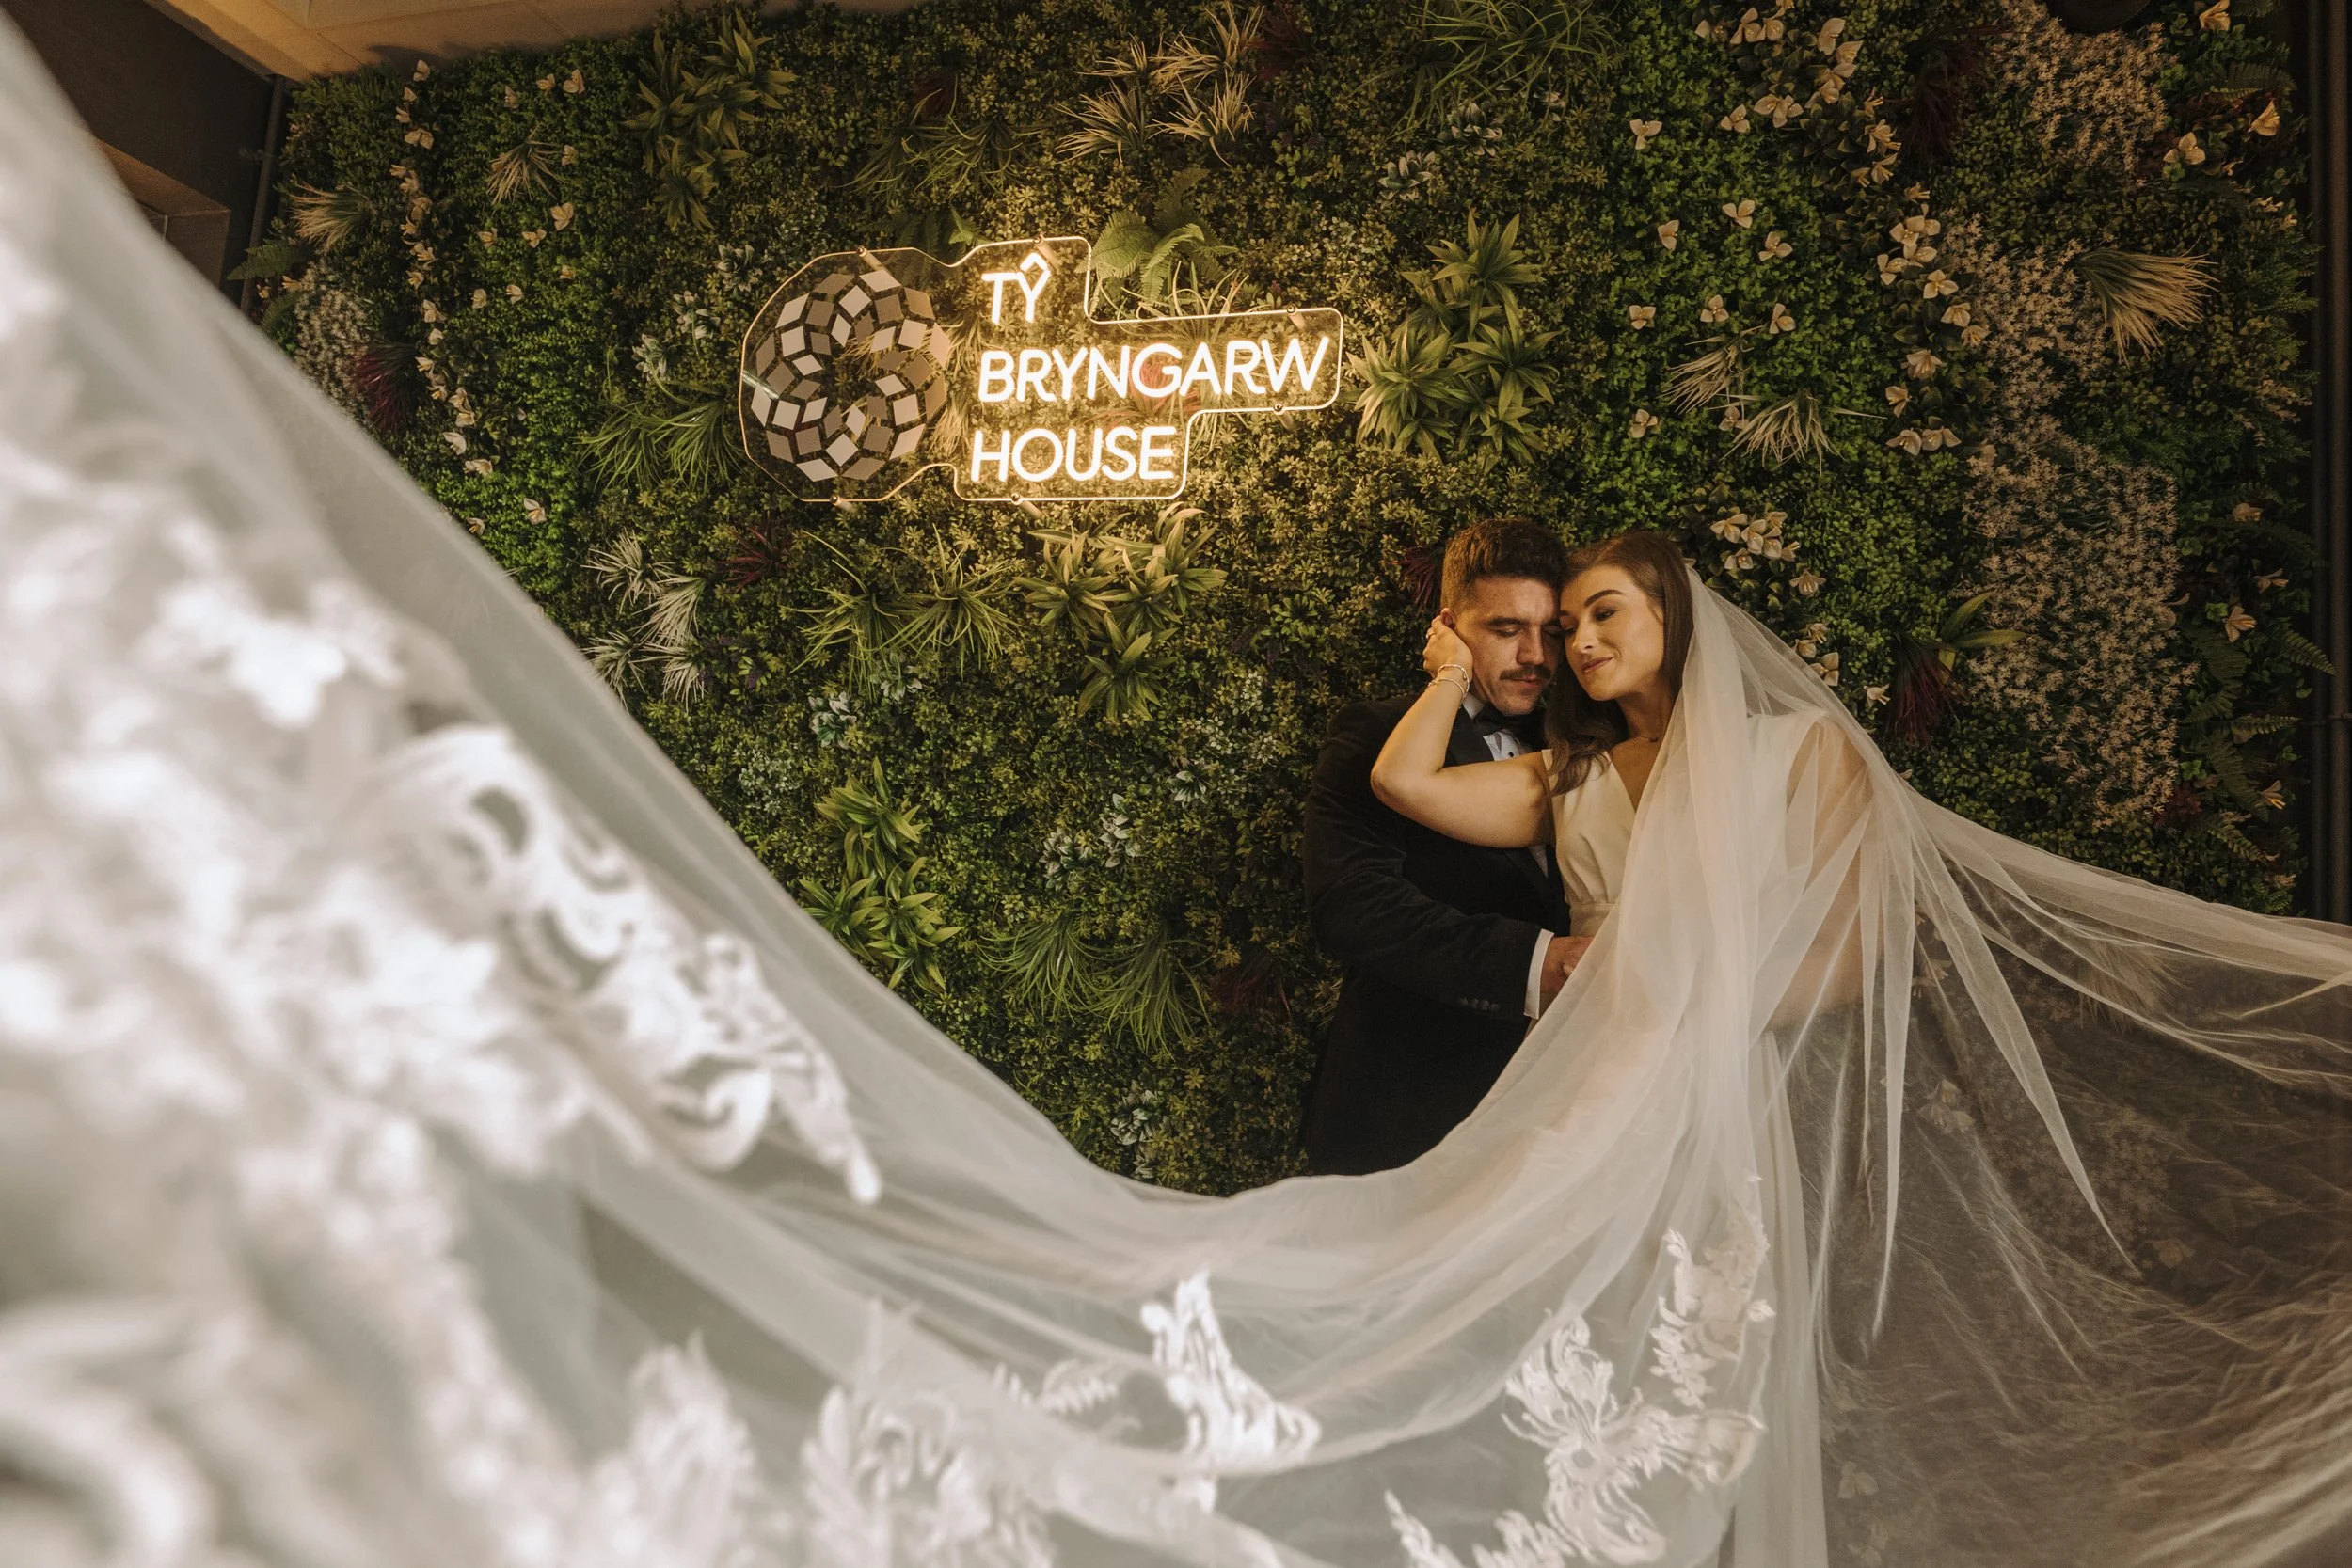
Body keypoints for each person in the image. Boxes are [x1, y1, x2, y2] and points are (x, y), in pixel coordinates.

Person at [8, 21, 2352, 1564]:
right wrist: (1468, 688)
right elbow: (1401, 820)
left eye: (1604, 626)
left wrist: (1689, 999)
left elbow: (1820, 948)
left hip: (1663, 1104)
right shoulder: (1538, 764)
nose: (1578, 653)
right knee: (1403, 1337)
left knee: (1630, 1377)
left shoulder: (1756, 768)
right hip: (1535, 1097)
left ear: (1684, 633)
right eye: (1557, 626)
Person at [1297, 517, 1585, 1175]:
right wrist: (1532, 963)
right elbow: (1352, 905)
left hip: (1560, 1118)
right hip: (1405, 1105)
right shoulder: (1376, 734)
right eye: (1506, 630)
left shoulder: (1590, 743)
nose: (1535, 656)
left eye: (1551, 632)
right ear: (1450, 627)